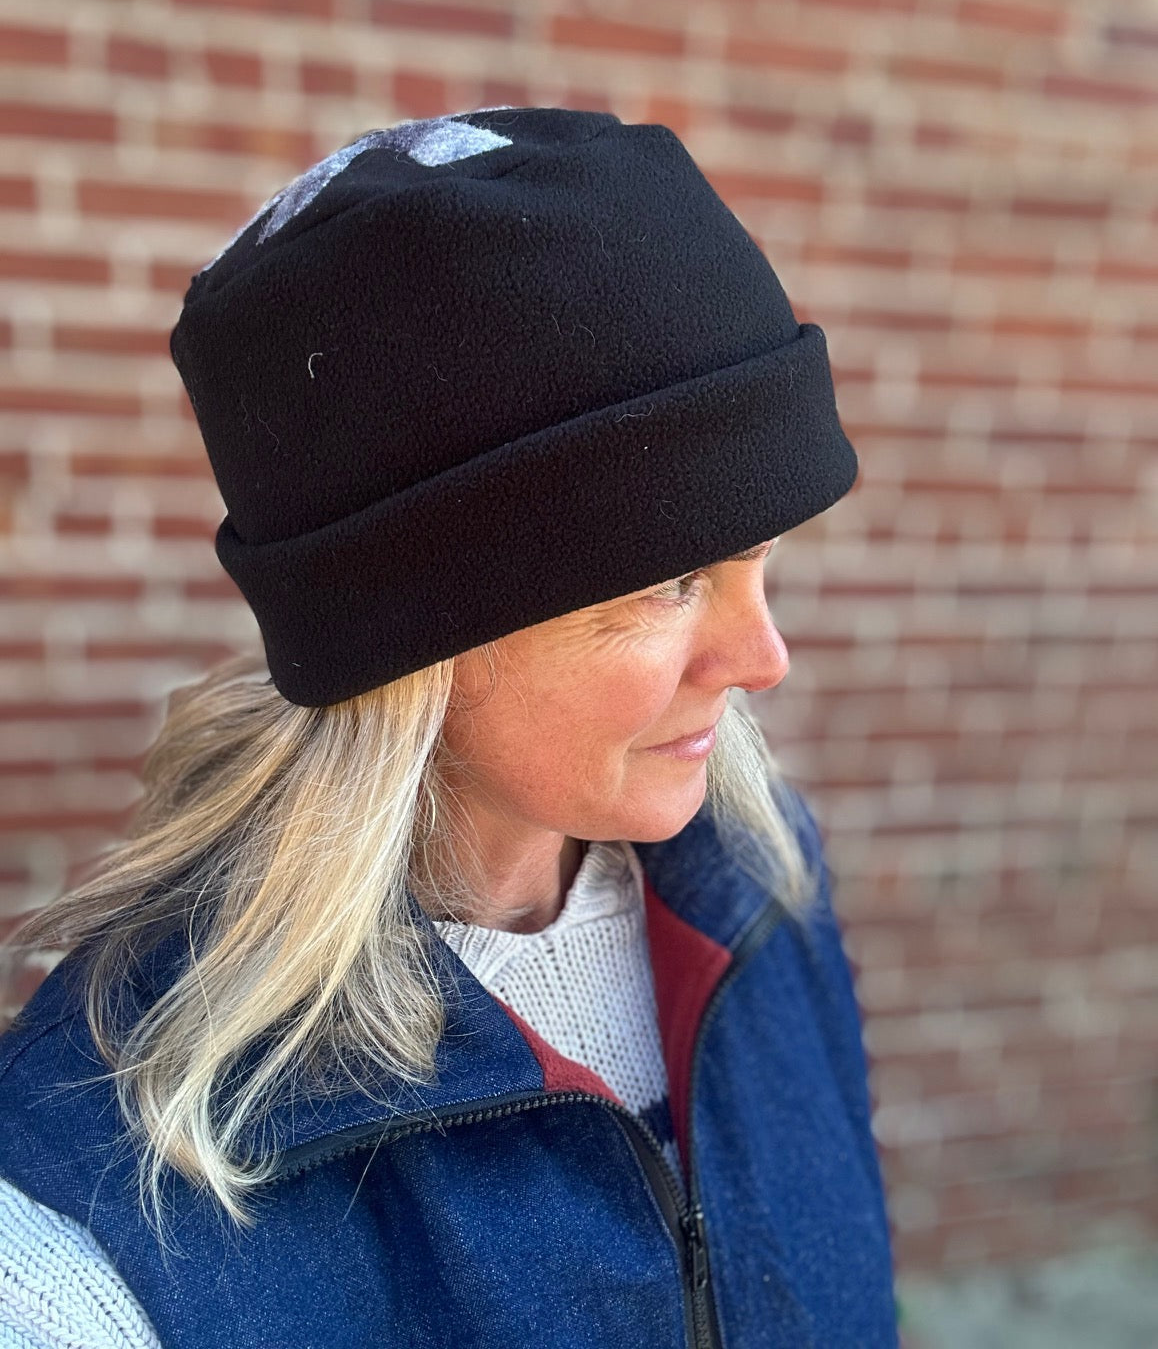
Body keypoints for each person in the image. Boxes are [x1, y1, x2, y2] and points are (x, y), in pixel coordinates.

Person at [0, 106, 897, 1347]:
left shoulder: (760, 895)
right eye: (668, 581)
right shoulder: (91, 1245)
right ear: (413, 641)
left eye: (758, 562)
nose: (763, 657)